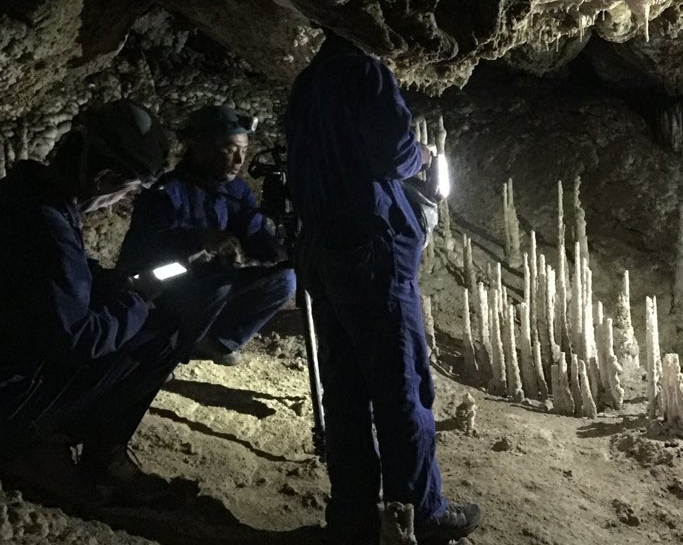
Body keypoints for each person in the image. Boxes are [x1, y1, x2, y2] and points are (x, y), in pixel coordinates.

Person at [285, 30, 480, 545]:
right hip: (370, 249)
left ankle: (351, 513)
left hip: (322, 250)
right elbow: (394, 153)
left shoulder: (306, 85)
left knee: (345, 388)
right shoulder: (364, 72)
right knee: (401, 385)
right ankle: (420, 511)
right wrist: (423, 156)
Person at [0, 100, 221, 504]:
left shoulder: (25, 195)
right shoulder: (50, 228)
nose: (119, 202)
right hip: (9, 399)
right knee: (159, 337)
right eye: (127, 190)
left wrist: (111, 282)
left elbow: (53, 282)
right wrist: (136, 302)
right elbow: (77, 340)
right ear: (104, 178)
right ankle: (53, 450)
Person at [118, 105, 296, 366]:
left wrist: (281, 252)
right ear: (200, 146)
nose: (239, 161)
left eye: (244, 151)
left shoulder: (235, 189)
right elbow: (141, 252)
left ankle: (217, 341)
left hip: (212, 283)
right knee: (217, 285)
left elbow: (253, 231)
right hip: (165, 287)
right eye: (230, 149)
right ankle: (167, 350)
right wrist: (199, 239)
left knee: (285, 279)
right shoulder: (167, 191)